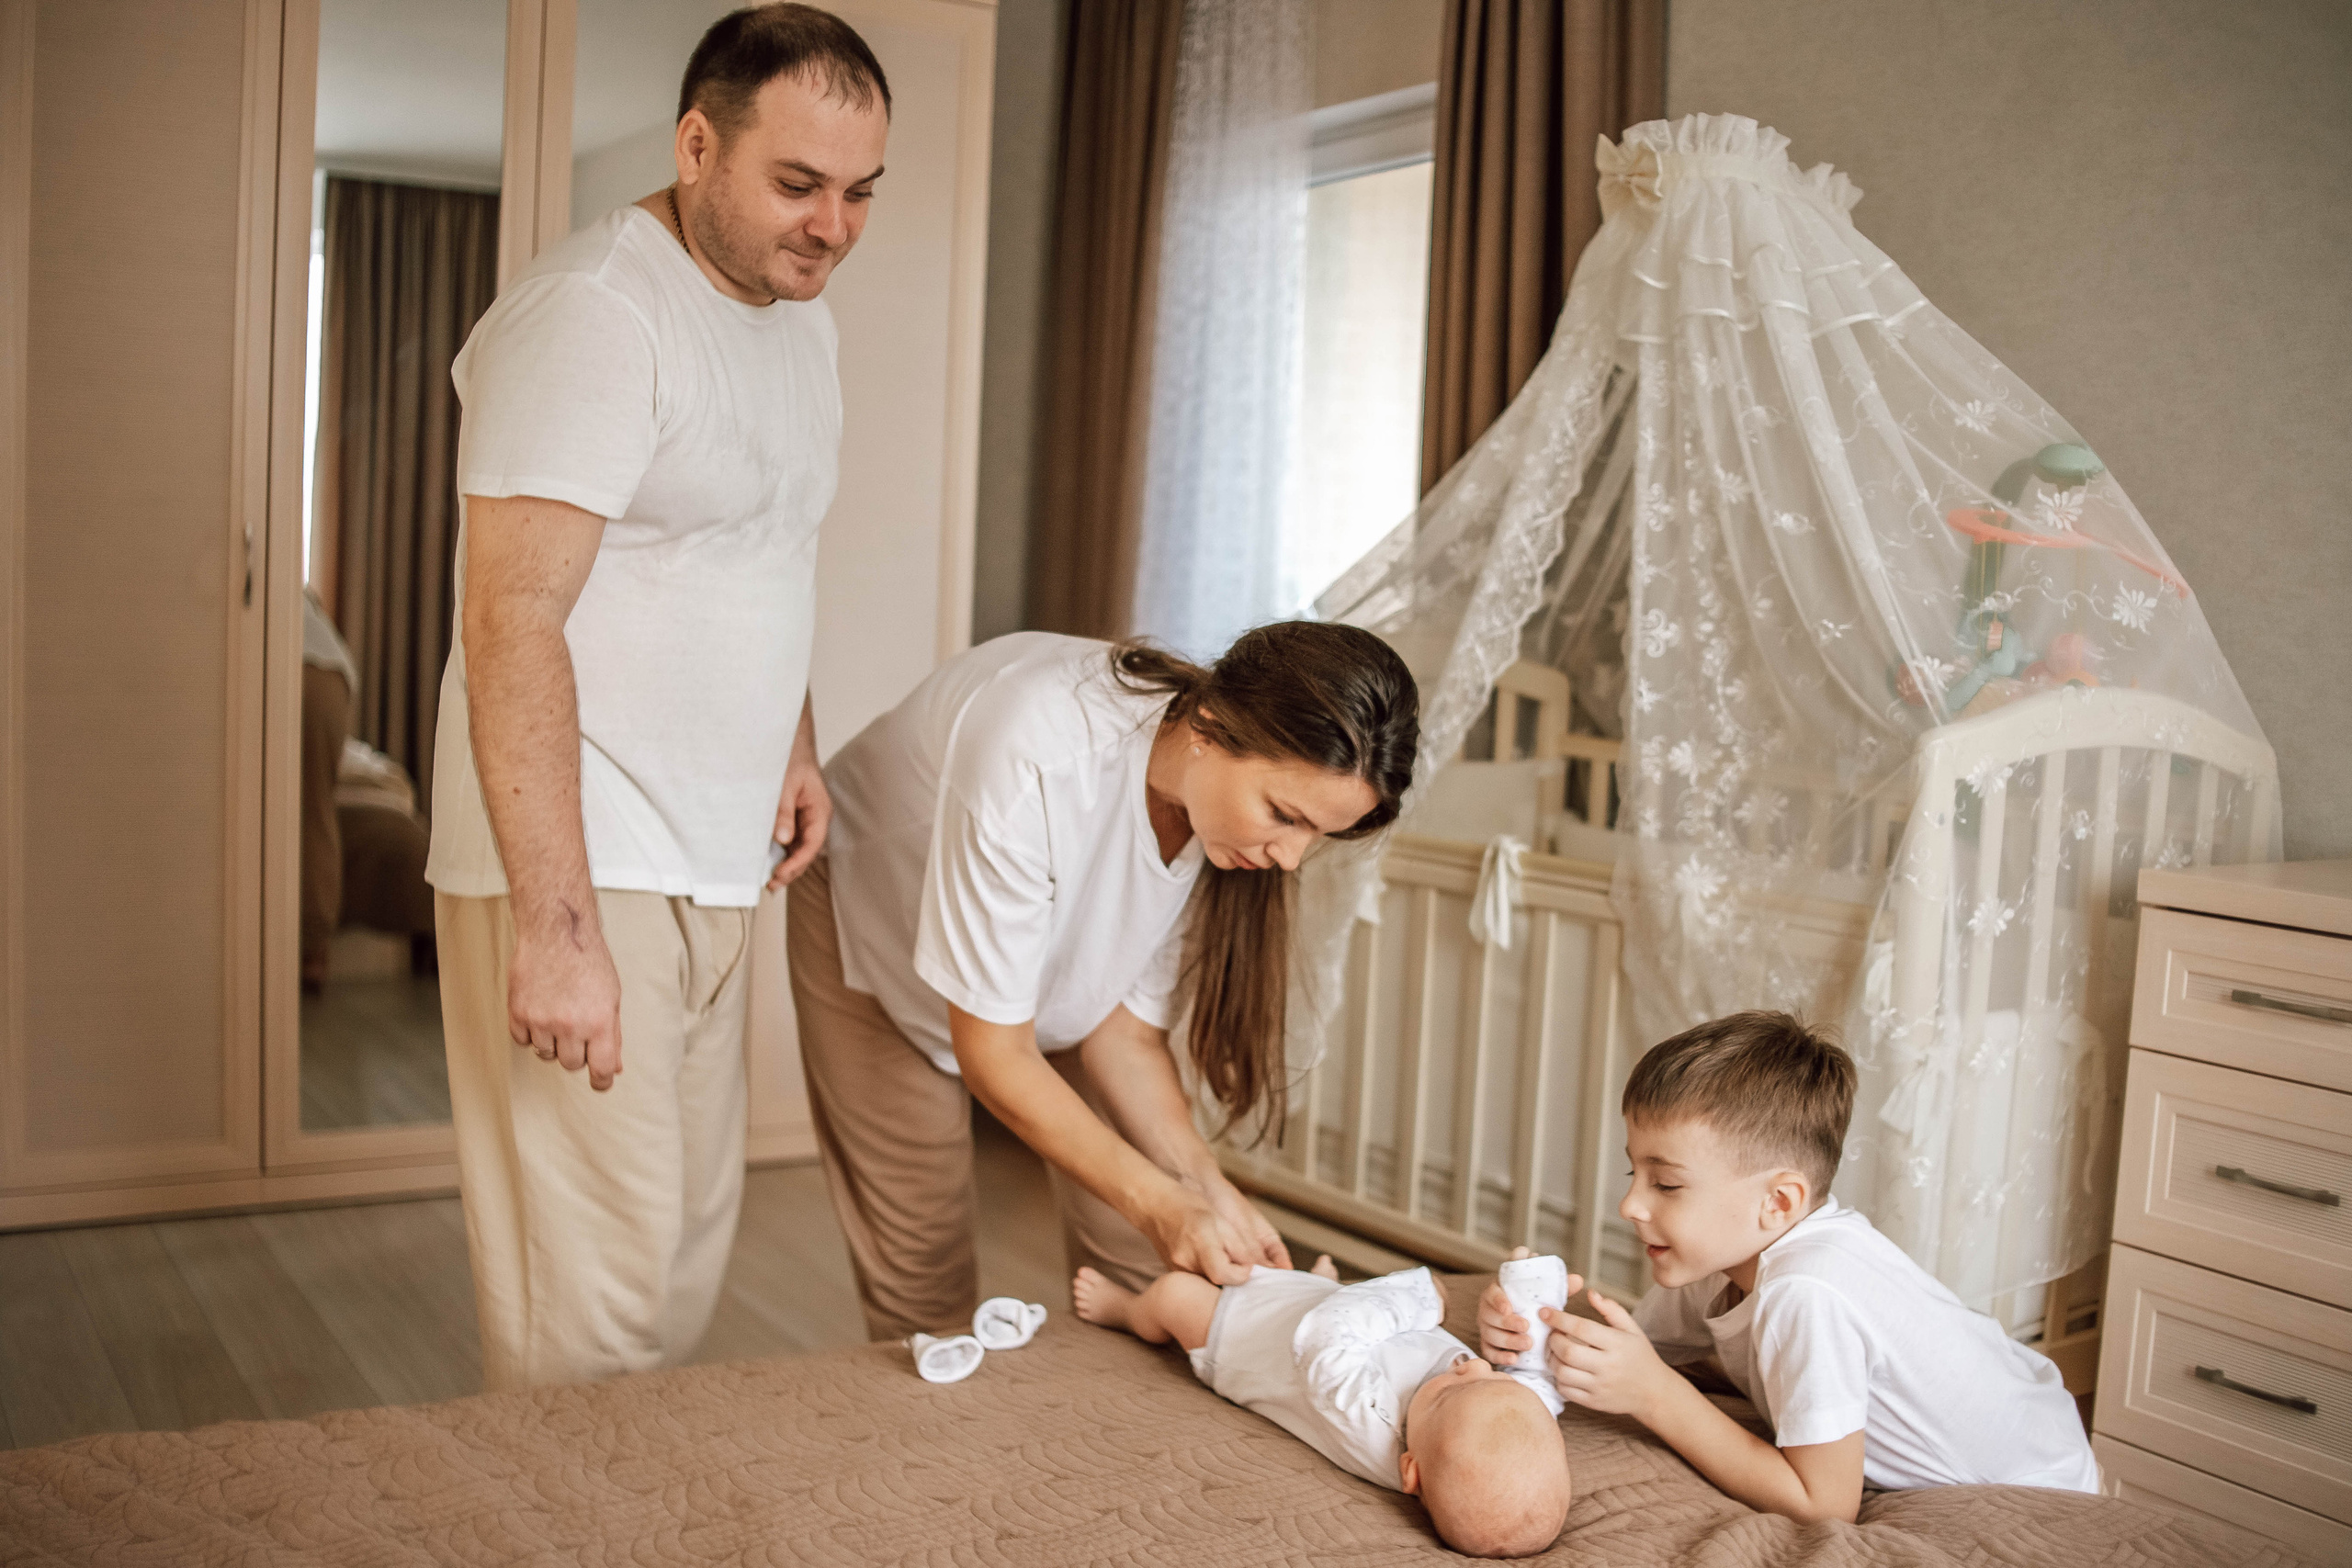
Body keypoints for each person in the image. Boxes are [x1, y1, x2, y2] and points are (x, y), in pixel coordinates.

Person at [424, 4, 889, 1391]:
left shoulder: (794, 316)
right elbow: (510, 619)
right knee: (596, 1307)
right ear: (698, 146)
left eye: (861, 191)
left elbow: (767, 545)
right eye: (797, 184)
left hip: (717, 849)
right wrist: (558, 930)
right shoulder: (596, 313)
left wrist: (792, 747)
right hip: (587, 851)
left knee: (678, 1265)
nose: (833, 226)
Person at [789, 623, 1418, 1340]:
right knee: (923, 1268)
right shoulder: (1036, 753)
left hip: (1047, 970)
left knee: (1146, 1260)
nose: (1291, 858)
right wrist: (1159, 1199)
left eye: (1317, 835)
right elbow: (996, 1054)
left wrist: (1204, 1186)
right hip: (876, 924)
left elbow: (1123, 1035)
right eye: (1284, 815)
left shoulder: (1215, 820)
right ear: (1212, 727)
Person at [1476, 1011, 2100, 1524]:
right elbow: (1635, 1353)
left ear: (1778, 1203)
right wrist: (1529, 1323)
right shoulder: (1718, 1263)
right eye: (1633, 1171)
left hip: (2038, 1492)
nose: (1630, 1203)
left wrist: (1657, 1396)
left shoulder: (1806, 1291)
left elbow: (1825, 1503)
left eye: (1666, 1182)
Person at [1073, 1259, 1571, 1558]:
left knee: (1175, 1293)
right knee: (1319, 1294)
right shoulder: (1481, 1413)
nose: (1472, 1368)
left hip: (1251, 1339)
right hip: (1334, 1307)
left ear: (1409, 1471)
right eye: (1490, 1376)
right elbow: (1537, 1382)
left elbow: (1325, 1336)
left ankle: (1128, 1311)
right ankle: (1311, 1279)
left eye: (1447, 1391)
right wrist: (1534, 1304)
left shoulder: (1368, 1419)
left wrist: (1422, 1298)